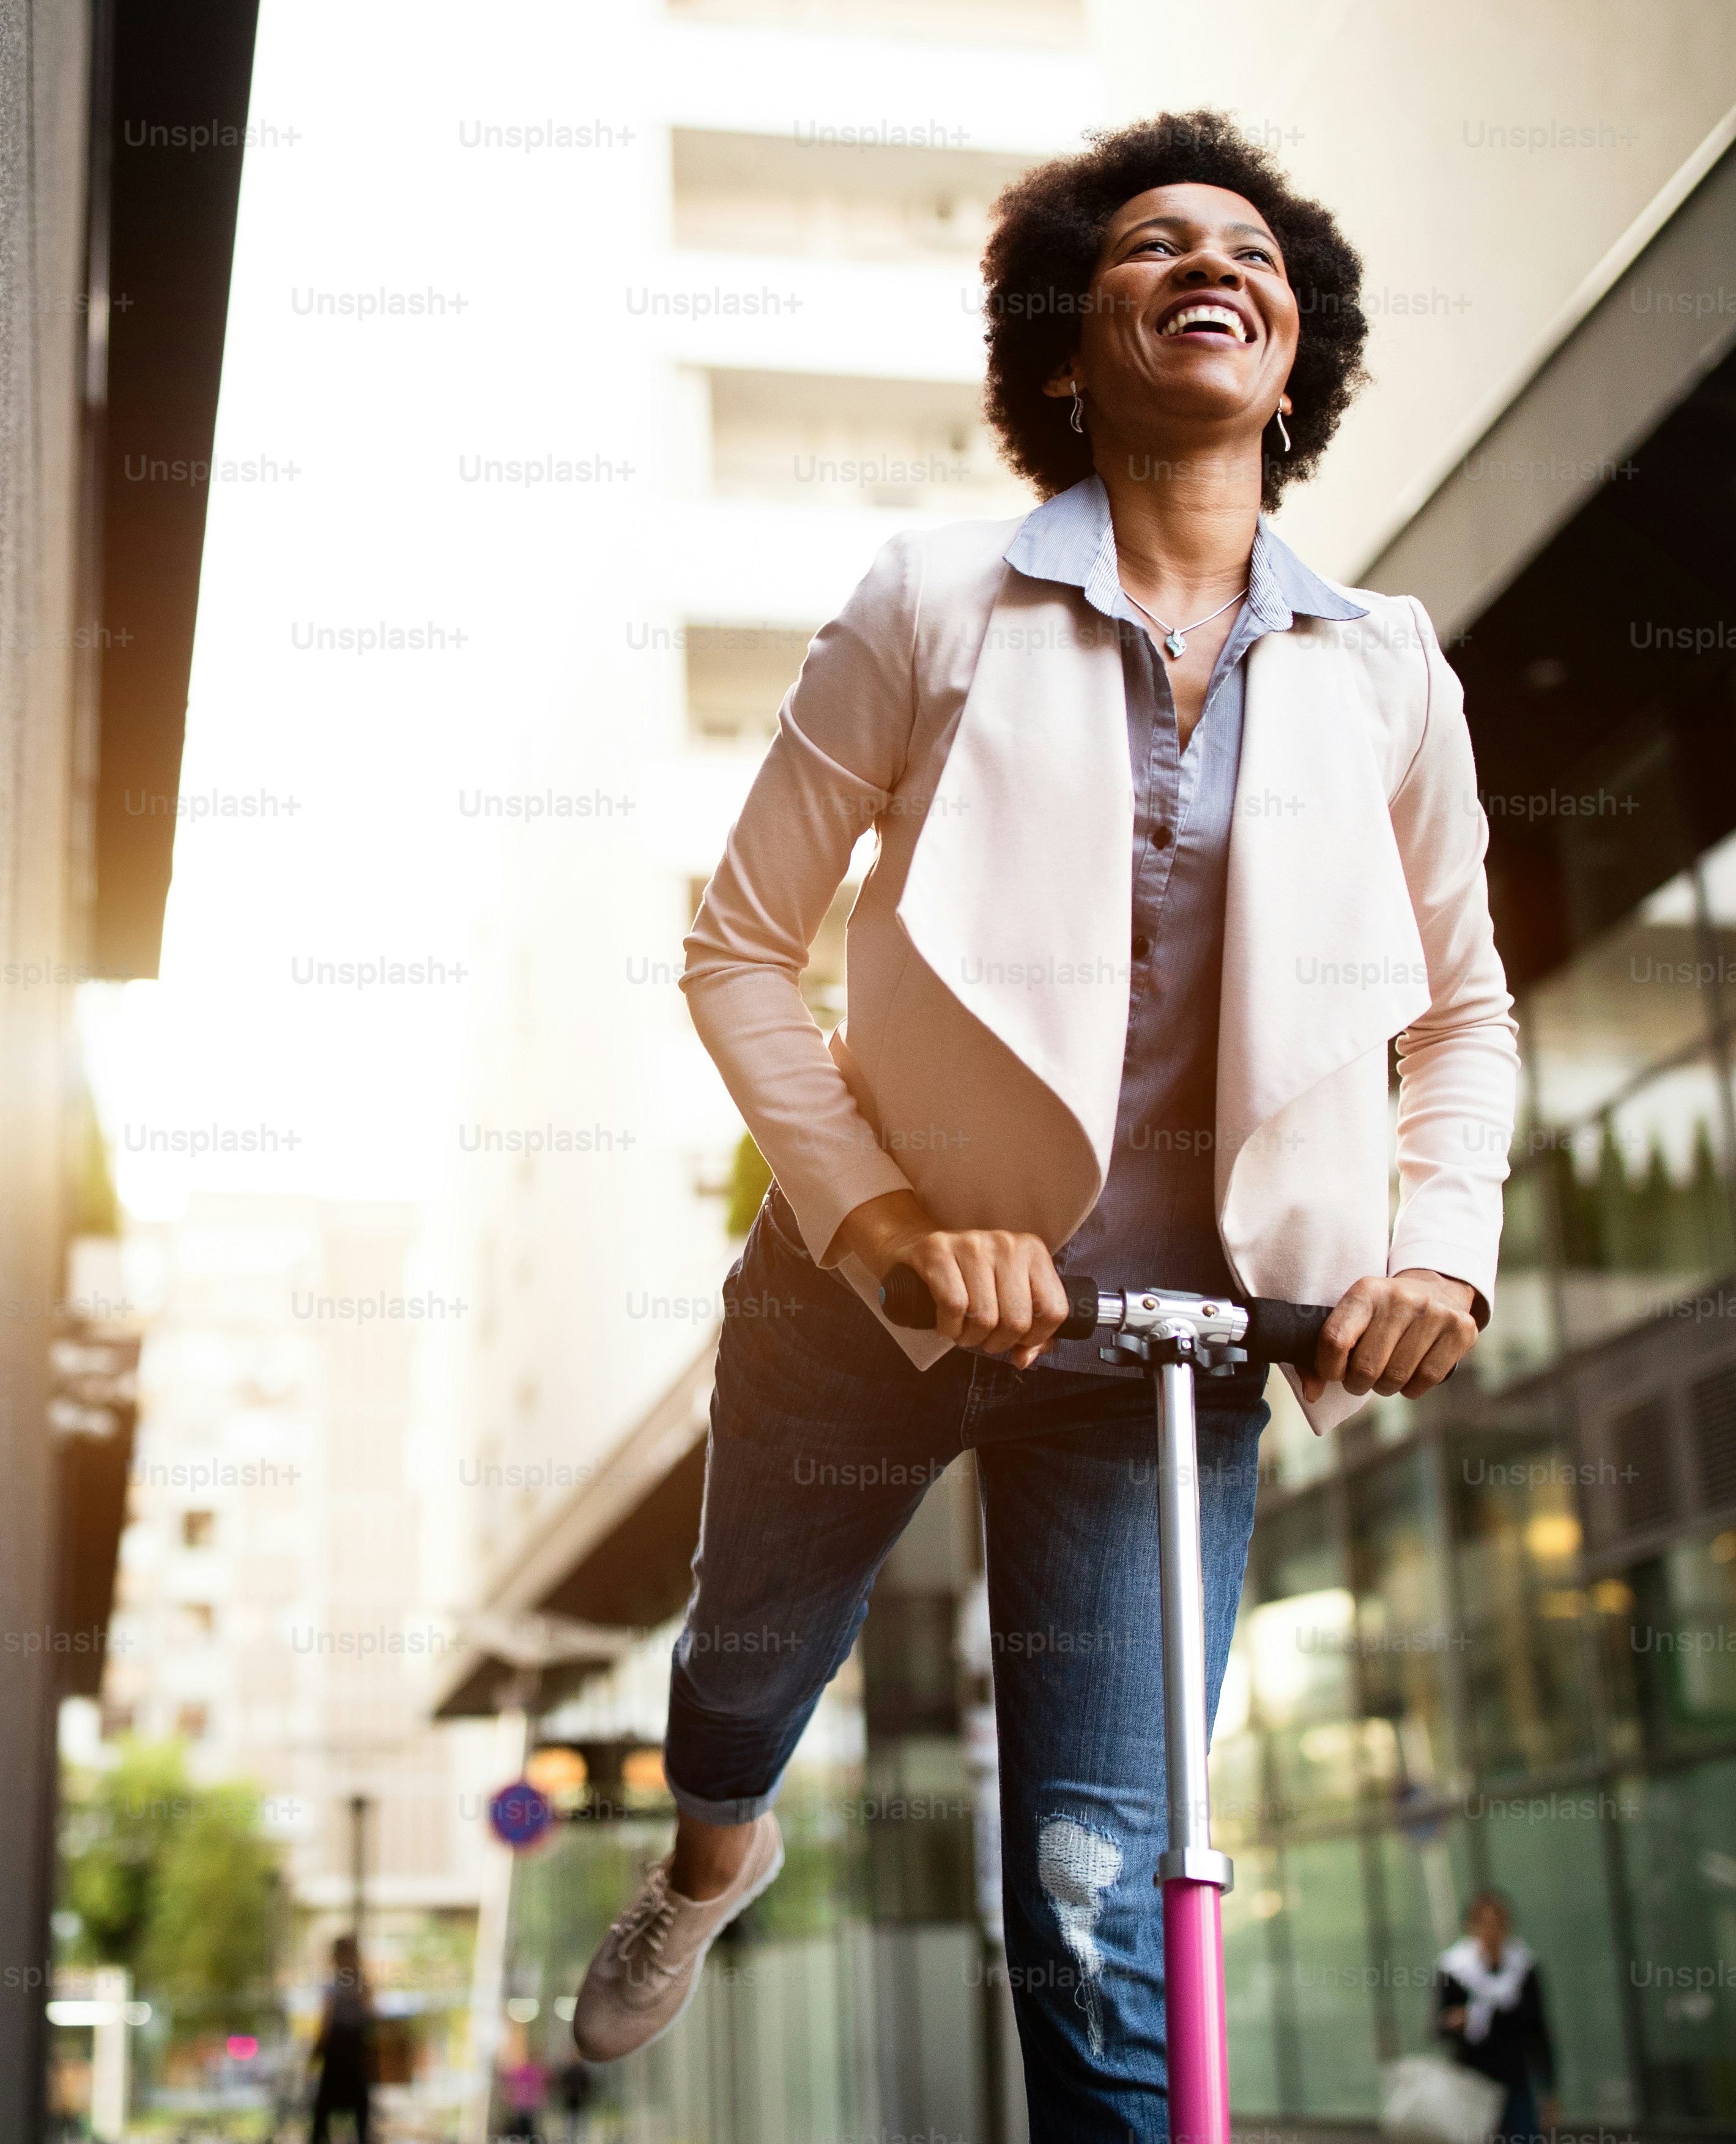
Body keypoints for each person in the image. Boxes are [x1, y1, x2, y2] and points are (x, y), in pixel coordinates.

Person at [565, 110, 1518, 2144]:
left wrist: (1438, 1243)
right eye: (1151, 242)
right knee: (741, 1679)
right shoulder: (932, 606)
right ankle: (713, 1866)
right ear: (1068, 347)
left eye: (1250, 247)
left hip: (1167, 1359)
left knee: (1101, 1887)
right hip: (879, 1293)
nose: (1211, 260)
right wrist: (893, 1220)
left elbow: (1462, 1011)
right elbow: (738, 948)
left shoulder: (1386, 669)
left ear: (1296, 342)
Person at [1437, 1891, 1557, 2143]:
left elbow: (1538, 2030)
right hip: (1472, 2081)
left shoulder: (1523, 1968)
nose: (1492, 1931)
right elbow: (1438, 2026)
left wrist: (1549, 2089)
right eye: (1485, 1923)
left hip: (1515, 2079)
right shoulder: (1455, 1970)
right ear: (1472, 1926)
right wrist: (1455, 2022)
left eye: (1498, 1923)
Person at [306, 1934, 376, 2143]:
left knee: (325, 2105)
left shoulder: (339, 1985)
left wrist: (317, 2051)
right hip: (353, 2049)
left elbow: (327, 2022)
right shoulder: (361, 1984)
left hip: (342, 2049)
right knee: (357, 2107)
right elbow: (369, 2013)